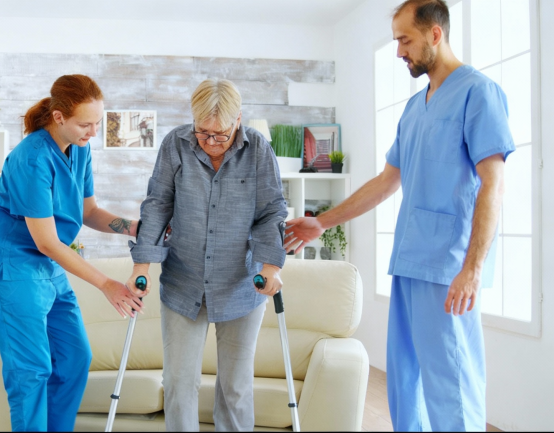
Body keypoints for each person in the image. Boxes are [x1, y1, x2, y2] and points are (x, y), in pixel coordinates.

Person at [284, 1, 515, 431]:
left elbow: (493, 183)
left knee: (452, 384)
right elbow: (386, 182)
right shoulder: (413, 110)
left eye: (405, 40)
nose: (399, 52)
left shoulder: (478, 93)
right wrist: (323, 221)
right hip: (409, 261)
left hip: (449, 266)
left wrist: (473, 268)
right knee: (404, 385)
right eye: (395, 41)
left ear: (435, 34)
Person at [0, 74, 144, 432]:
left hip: (46, 265)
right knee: (31, 370)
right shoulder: (32, 158)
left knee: (73, 359)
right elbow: (47, 242)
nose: (93, 132)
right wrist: (107, 284)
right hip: (14, 264)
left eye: (97, 123)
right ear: (59, 118)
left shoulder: (80, 149)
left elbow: (88, 212)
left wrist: (135, 227)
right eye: (85, 124)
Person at [128, 78, 288, 431]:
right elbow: (157, 206)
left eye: (221, 134)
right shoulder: (175, 144)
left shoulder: (259, 149)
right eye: (203, 133)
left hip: (241, 285)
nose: (211, 142)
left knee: (235, 389)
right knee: (179, 385)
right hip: (183, 282)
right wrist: (141, 266)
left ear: (238, 120)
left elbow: (271, 211)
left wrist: (271, 265)